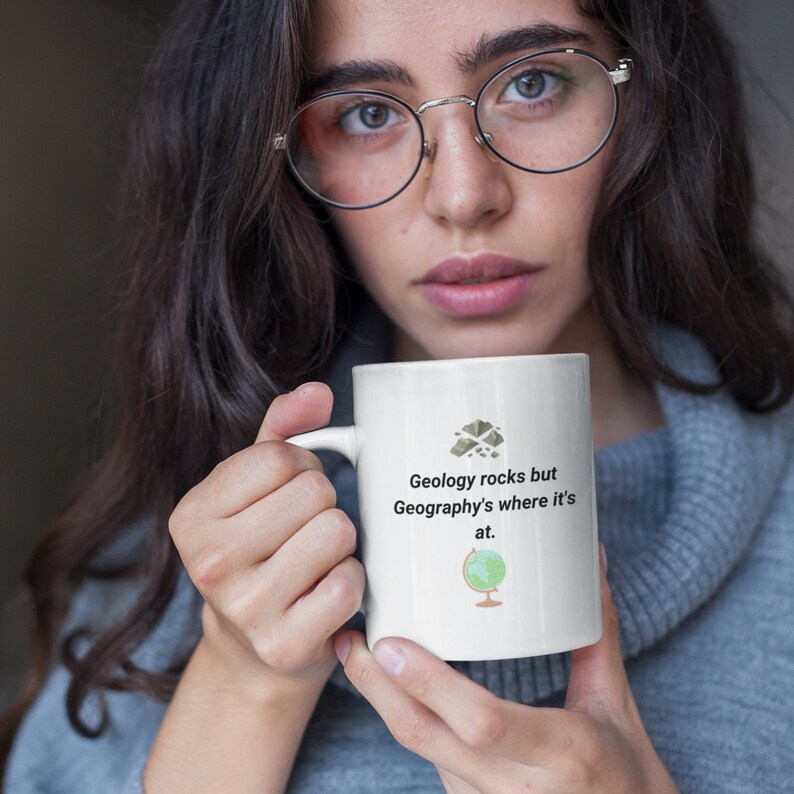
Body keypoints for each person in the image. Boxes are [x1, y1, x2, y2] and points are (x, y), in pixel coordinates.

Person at [2, 0, 793, 790]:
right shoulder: (187, 551)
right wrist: (244, 686)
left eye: (534, 83)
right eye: (369, 113)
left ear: (647, 98)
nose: (462, 196)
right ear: (286, 159)